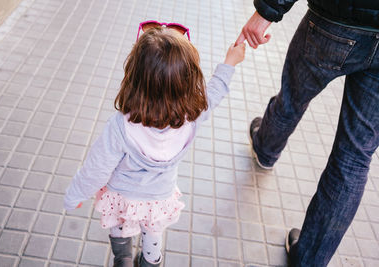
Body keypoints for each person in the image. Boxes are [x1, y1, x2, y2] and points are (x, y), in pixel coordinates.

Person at [64, 21, 245, 267]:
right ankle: (151, 262)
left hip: (122, 195)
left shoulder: (120, 126)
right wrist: (230, 61)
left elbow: (96, 169)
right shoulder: (192, 117)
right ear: (188, 82)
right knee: (153, 234)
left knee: (119, 225)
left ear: (135, 77)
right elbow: (216, 90)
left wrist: (75, 195)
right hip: (159, 197)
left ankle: (123, 259)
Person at [235, 0, 379, 266]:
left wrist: (267, 10)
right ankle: (309, 259)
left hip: (337, 20)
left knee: (292, 99)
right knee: (355, 157)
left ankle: (265, 149)